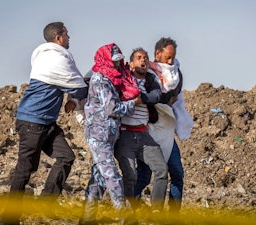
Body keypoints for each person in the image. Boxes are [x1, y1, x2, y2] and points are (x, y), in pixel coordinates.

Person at [4, 22, 88, 223]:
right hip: (32, 122)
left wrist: (73, 99)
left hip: (47, 123)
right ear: (58, 38)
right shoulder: (54, 59)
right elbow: (79, 88)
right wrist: (76, 96)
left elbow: (74, 87)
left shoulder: (49, 57)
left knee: (66, 157)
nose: (69, 38)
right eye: (67, 34)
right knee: (25, 168)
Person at [80, 43, 141, 225]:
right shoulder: (100, 80)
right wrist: (134, 104)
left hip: (108, 135)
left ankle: (87, 218)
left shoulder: (111, 79)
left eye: (118, 61)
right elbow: (112, 108)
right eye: (113, 62)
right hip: (99, 135)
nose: (116, 65)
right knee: (112, 175)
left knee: (98, 178)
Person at [134, 37, 193, 213]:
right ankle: (129, 208)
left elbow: (171, 95)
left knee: (177, 173)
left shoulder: (175, 75)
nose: (170, 61)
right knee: (144, 176)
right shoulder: (148, 74)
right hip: (149, 130)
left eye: (172, 58)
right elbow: (156, 97)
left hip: (166, 131)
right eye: (167, 57)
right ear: (157, 54)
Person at [114, 48, 168, 211]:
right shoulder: (123, 79)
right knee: (130, 176)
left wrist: (140, 98)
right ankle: (127, 212)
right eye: (138, 58)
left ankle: (156, 211)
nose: (143, 60)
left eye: (145, 58)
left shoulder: (150, 80)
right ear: (131, 63)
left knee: (161, 170)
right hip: (125, 135)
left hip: (144, 135)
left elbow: (157, 96)